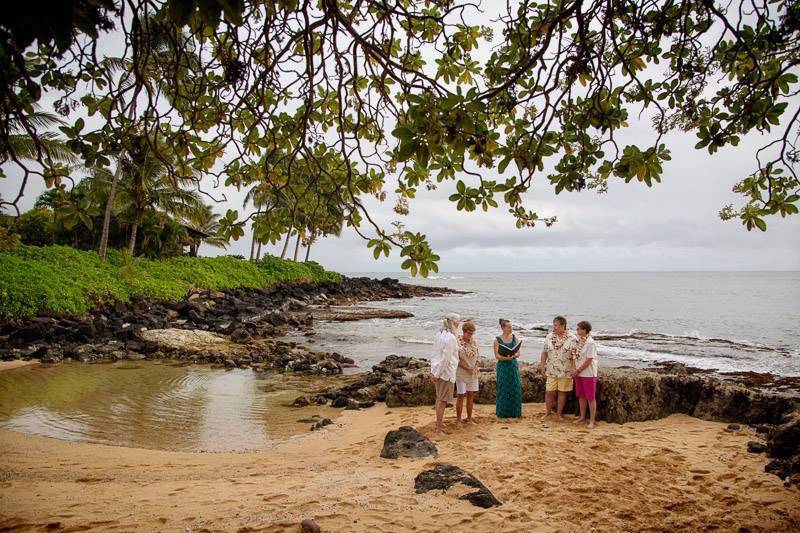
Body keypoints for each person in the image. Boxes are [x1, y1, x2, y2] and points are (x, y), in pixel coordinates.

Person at [539, 315, 577, 421]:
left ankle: (559, 414)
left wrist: (574, 369)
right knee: (549, 391)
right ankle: (548, 412)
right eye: (553, 325)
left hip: (565, 370)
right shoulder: (549, 337)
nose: (554, 327)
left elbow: (575, 356)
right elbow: (544, 353)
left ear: (562, 326)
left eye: (555, 325)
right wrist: (542, 366)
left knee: (562, 392)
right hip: (551, 369)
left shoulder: (572, 338)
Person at [430, 312, 460, 437]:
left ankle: (439, 424)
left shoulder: (440, 334)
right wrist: (437, 373)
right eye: (457, 322)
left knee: (439, 399)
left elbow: (435, 354)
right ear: (453, 322)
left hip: (438, 370)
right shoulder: (450, 338)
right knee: (442, 401)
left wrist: (433, 371)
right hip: (445, 373)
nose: (458, 324)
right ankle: (438, 429)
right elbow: (446, 359)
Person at [571, 320, 599, 428]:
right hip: (579, 372)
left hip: (588, 373)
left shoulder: (590, 342)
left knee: (590, 397)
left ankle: (592, 420)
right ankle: (582, 417)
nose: (577, 330)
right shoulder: (578, 340)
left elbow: (589, 360)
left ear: (584, 330)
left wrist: (578, 370)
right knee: (581, 395)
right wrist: (574, 368)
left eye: (578, 329)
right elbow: (575, 355)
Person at [494, 319, 522, 418]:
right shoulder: (497, 340)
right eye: (509, 327)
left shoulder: (514, 338)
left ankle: (515, 413)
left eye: (511, 327)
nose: (511, 329)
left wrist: (515, 355)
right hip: (503, 366)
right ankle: (502, 413)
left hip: (513, 365)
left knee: (515, 387)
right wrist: (506, 358)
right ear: (503, 328)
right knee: (503, 388)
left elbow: (519, 353)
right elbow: (497, 356)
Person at [456, 320, 480, 423]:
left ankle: (469, 418)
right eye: (469, 333)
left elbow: (478, 356)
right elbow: (456, 359)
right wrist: (467, 368)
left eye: (472, 333)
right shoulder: (457, 342)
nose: (470, 335)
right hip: (461, 373)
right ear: (464, 331)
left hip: (473, 373)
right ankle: (458, 420)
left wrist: (475, 367)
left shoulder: (474, 342)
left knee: (470, 395)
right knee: (461, 395)